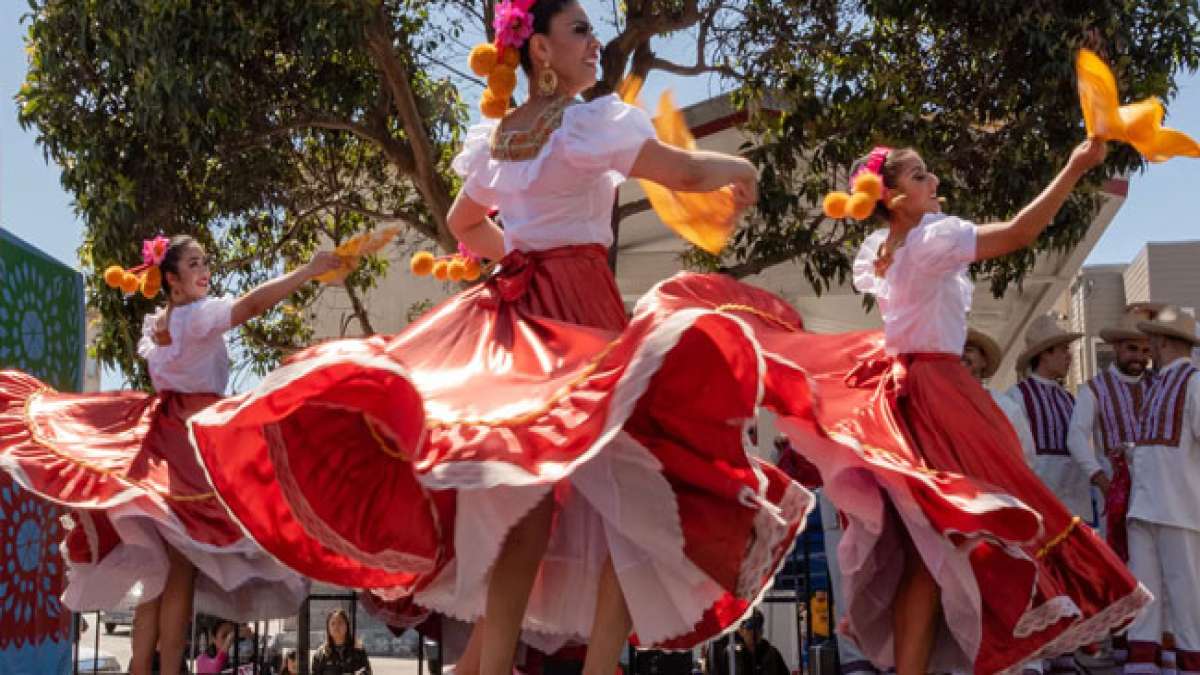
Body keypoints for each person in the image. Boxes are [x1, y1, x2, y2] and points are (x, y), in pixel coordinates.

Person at [188, 5, 809, 675]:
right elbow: (683, 174)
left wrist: (518, 251)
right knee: (642, 484)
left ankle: (490, 665)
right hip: (580, 313)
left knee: (531, 492)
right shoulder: (585, 123)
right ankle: (599, 665)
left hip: (520, 315)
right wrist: (737, 165)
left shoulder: (502, 138)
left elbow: (462, 220)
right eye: (579, 30)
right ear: (539, 48)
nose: (593, 41)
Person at [763, 139, 1150, 675]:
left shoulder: (887, 247)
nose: (935, 182)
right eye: (921, 176)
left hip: (905, 395)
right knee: (981, 525)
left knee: (927, 555)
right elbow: (1020, 233)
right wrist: (1073, 164)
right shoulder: (928, 240)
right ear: (895, 198)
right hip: (939, 395)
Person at [0, 234, 324, 675]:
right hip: (192, 438)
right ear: (171, 278)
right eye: (193, 263)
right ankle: (169, 668)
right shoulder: (198, 317)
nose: (204, 269)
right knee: (180, 568)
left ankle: (142, 668)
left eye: (204, 261)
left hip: (158, 434)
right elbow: (249, 307)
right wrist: (309, 270)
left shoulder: (159, 324)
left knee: (160, 575)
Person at [1122, 307, 1200, 675]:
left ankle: (1191, 662)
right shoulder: (1155, 386)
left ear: (1165, 341)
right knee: (1145, 591)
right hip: (1145, 504)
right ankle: (1144, 664)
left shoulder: (1195, 383)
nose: (1148, 345)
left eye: (1152, 337)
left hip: (1180, 506)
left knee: (1186, 594)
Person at [1066, 309, 1154, 560]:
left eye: (1146, 350)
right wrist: (1103, 481)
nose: (1139, 357)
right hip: (1116, 489)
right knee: (1121, 559)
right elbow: (1076, 437)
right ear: (1116, 348)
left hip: (1155, 488)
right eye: (1132, 348)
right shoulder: (1095, 388)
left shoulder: (1158, 383)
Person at [1008, 315, 1093, 523]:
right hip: (1040, 504)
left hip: (1074, 505)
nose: (1069, 356)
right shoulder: (1018, 396)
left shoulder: (1069, 399)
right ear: (1045, 354)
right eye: (1064, 349)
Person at [962, 327, 1036, 465]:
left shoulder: (1005, 407)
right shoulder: (939, 404)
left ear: (984, 361)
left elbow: (1026, 456)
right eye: (955, 350)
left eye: (968, 349)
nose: (961, 355)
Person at [710, 610, 789, 675]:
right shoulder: (727, 653)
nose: (754, 633)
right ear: (740, 630)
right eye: (749, 628)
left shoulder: (772, 653)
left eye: (758, 628)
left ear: (762, 631)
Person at [311, 609, 373, 675]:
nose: (336, 627)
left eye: (340, 622)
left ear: (347, 626)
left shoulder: (358, 650)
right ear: (328, 628)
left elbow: (368, 671)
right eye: (333, 623)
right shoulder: (321, 654)